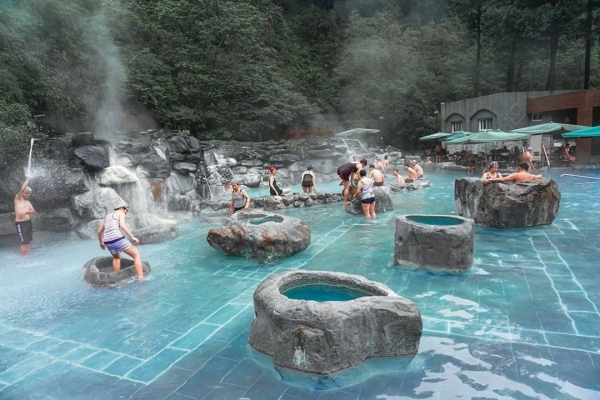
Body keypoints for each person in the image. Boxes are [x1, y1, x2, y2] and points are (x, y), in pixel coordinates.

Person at [97, 205, 144, 280]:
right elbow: (122, 225)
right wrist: (132, 237)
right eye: (126, 211)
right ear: (122, 208)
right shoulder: (120, 213)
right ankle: (141, 278)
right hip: (117, 239)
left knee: (116, 258)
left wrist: (101, 242)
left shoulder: (107, 217)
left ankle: (117, 280)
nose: (126, 213)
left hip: (107, 242)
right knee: (136, 254)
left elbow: (99, 232)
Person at [14, 175, 35, 255]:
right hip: (20, 223)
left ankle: (28, 257)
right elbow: (22, 188)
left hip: (28, 223)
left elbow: (33, 210)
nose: (28, 195)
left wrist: (25, 211)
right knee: (23, 242)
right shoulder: (17, 199)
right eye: (26, 193)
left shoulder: (28, 202)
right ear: (23, 193)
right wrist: (28, 179)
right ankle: (23, 258)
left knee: (28, 241)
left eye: (29, 193)